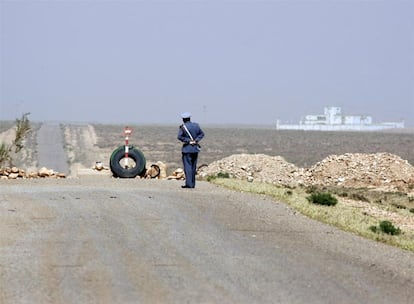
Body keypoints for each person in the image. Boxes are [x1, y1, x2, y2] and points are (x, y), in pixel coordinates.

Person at [177, 112, 205, 188]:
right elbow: (202, 134)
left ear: (183, 119)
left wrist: (188, 141)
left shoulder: (183, 127)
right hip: (195, 148)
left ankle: (189, 184)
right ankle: (192, 184)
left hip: (187, 149)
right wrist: (196, 140)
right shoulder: (196, 125)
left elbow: (179, 137)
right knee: (193, 167)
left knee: (187, 167)